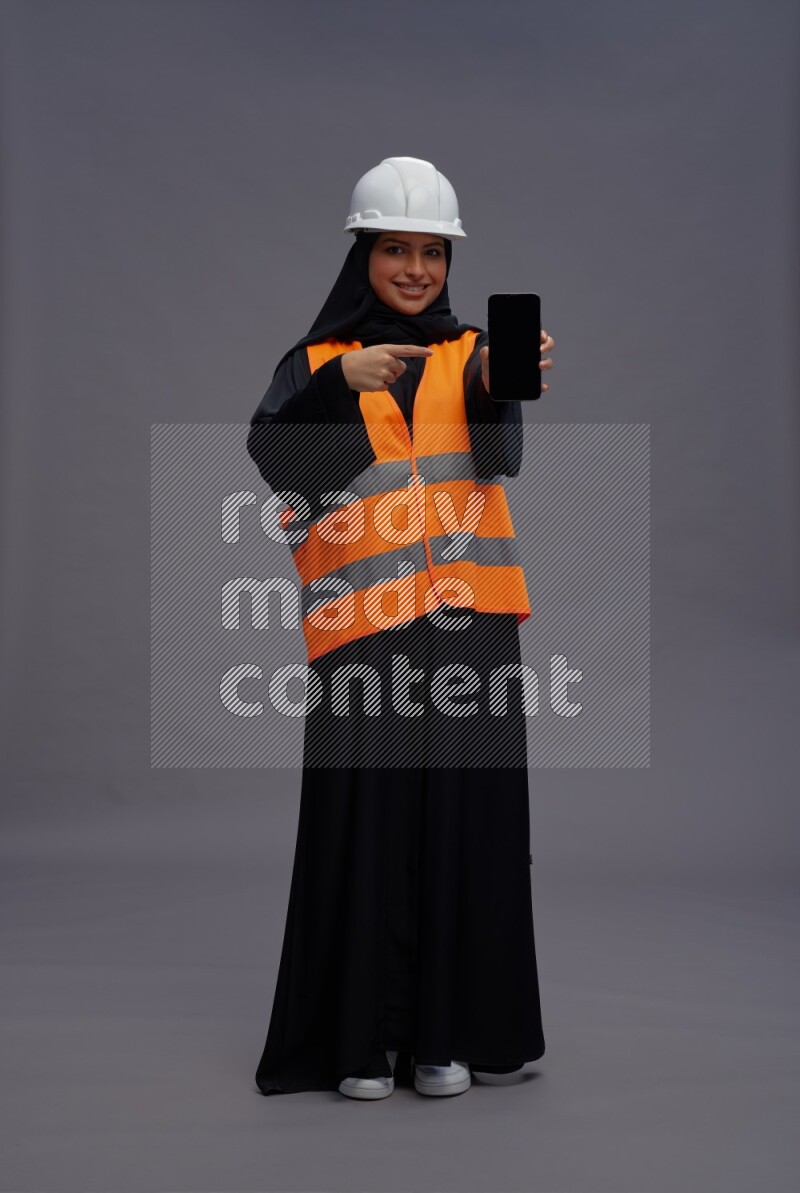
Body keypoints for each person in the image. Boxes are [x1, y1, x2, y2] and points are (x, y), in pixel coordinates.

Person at [246, 156, 554, 1100]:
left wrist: (501, 385)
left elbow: (501, 459)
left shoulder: (473, 357)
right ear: (362, 254)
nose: (416, 269)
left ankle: (441, 1040)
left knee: (464, 827)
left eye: (432, 252)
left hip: (469, 628)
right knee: (365, 825)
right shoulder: (313, 364)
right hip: (362, 630)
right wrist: (346, 387)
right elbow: (282, 472)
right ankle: (356, 1042)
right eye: (395, 249)